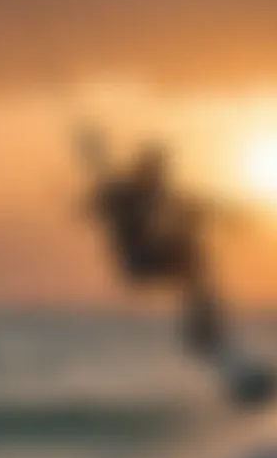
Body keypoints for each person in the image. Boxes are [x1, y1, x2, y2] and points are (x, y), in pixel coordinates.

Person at [78, 128, 225, 356]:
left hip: (148, 259)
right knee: (189, 253)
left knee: (191, 251)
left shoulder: (154, 194)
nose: (162, 180)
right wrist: (104, 203)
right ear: (148, 170)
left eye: (162, 175)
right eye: (159, 174)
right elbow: (97, 202)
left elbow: (190, 205)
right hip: (137, 263)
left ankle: (201, 323)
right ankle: (199, 325)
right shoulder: (126, 191)